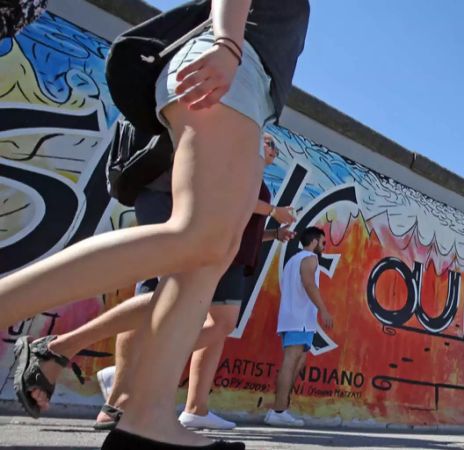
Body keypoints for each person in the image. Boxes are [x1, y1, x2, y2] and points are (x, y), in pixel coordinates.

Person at [3, 1, 311, 447]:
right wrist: (227, 40)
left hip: (249, 85)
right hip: (231, 64)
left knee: (210, 252)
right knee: (199, 236)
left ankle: (146, 419)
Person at [13, 135, 295, 430]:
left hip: (185, 207)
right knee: (174, 296)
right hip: (176, 201)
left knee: (168, 298)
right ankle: (72, 355)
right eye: (267, 142)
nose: (272, 149)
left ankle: (116, 390)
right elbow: (234, 195)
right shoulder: (236, 145)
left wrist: (271, 232)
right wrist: (273, 212)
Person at [265, 226, 334, 427]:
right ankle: (278, 410)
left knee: (298, 360)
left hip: (294, 319)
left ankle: (281, 408)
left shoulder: (293, 261)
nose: (323, 246)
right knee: (292, 360)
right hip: (299, 320)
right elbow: (309, 284)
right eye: (323, 242)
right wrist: (324, 310)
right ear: (314, 242)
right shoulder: (310, 258)